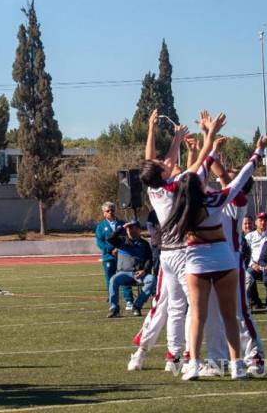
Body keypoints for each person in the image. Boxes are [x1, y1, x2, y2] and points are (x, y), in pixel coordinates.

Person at [167, 116, 267, 381]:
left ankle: (208, 361)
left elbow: (199, 171)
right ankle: (229, 363)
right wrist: (257, 152)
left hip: (205, 261)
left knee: (208, 315)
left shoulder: (181, 204)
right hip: (225, 259)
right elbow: (230, 177)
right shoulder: (218, 199)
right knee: (226, 315)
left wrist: (208, 141)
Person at [126, 111, 196, 372]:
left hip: (166, 254)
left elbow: (152, 160)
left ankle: (159, 355)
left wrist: (153, 129)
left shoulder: (154, 187)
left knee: (166, 306)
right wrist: (179, 139)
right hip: (182, 253)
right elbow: (167, 161)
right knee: (188, 306)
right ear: (162, 173)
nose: (167, 163)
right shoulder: (173, 187)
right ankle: (184, 355)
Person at [107, 219, 156, 317]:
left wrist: (145, 271)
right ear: (127, 230)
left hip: (138, 274)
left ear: (139, 230)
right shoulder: (121, 241)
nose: (133, 230)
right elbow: (110, 239)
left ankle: (137, 306)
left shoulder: (144, 244)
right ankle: (114, 308)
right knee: (113, 279)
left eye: (135, 228)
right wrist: (122, 227)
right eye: (130, 228)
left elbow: (149, 259)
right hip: (123, 273)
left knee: (152, 279)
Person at [96, 202, 132, 308]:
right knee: (110, 279)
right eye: (108, 211)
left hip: (122, 255)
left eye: (112, 210)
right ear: (104, 213)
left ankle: (129, 300)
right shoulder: (101, 226)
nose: (110, 212)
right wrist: (111, 250)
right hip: (108, 257)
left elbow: (127, 237)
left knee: (125, 277)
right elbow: (99, 242)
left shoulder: (122, 224)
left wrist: (119, 248)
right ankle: (113, 301)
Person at [245, 212, 267, 308]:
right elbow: (246, 254)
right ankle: (255, 301)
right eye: (260, 220)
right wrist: (252, 264)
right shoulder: (249, 236)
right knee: (248, 275)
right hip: (254, 266)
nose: (263, 222)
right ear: (256, 222)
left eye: (265, 220)